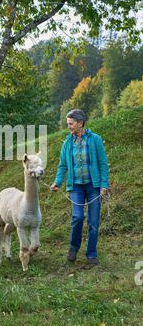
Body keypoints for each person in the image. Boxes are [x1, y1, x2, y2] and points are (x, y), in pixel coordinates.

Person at [50, 109, 109, 265]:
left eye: (71, 123)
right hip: (75, 186)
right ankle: (73, 248)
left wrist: (104, 185)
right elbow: (62, 165)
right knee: (77, 217)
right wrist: (57, 182)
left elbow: (103, 163)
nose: (68, 126)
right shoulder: (67, 143)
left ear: (80, 123)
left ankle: (91, 254)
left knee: (94, 222)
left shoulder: (95, 140)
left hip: (93, 187)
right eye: (68, 123)